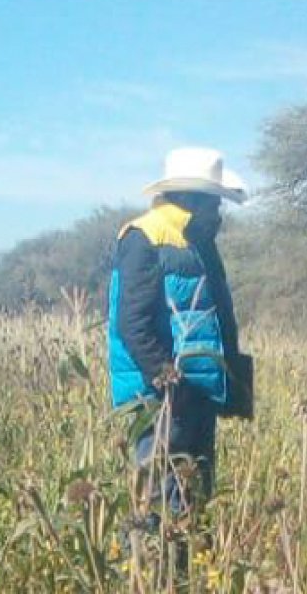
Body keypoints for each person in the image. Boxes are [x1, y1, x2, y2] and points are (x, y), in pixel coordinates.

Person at [108, 147, 250, 521]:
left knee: (193, 501)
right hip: (161, 398)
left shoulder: (197, 241)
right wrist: (167, 379)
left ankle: (188, 576)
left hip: (198, 391)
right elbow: (132, 323)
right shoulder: (144, 237)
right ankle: (151, 577)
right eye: (213, 202)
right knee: (156, 503)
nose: (218, 211)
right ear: (191, 199)